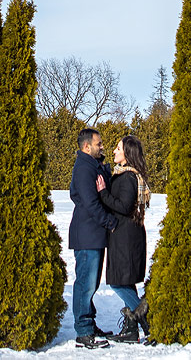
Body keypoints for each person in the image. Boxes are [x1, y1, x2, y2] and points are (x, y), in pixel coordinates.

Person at [95, 135, 151, 343]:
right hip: (125, 234)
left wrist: (102, 193)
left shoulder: (128, 177)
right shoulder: (124, 175)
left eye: (118, 148)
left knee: (118, 283)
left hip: (126, 236)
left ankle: (147, 321)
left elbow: (123, 206)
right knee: (125, 281)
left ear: (127, 153)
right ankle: (131, 330)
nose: (113, 151)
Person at [69, 127, 117, 349]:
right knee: (85, 284)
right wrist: (109, 222)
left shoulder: (92, 165)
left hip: (94, 234)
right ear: (86, 146)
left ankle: (89, 324)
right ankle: (84, 332)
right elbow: (90, 202)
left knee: (92, 283)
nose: (102, 146)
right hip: (87, 234)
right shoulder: (84, 168)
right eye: (99, 144)